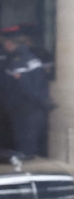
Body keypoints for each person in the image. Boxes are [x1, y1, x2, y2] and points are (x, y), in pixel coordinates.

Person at [0, 27, 50, 156]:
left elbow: (26, 87)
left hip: (25, 109)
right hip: (30, 108)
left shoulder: (18, 60)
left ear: (9, 43)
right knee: (28, 143)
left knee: (25, 145)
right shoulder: (27, 57)